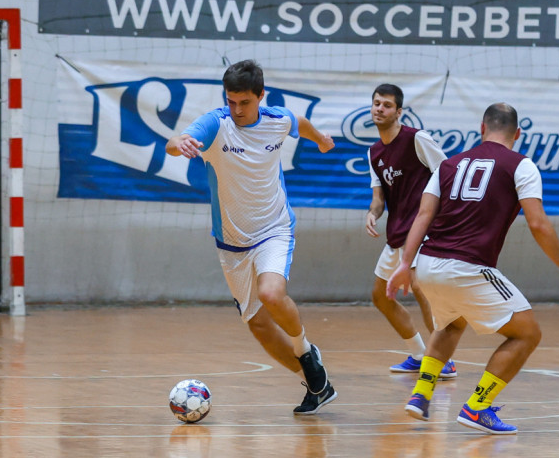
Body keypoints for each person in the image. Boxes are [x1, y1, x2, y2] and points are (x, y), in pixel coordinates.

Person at [387, 102, 559, 435]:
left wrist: (404, 265)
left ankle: (421, 394)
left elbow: (423, 215)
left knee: (451, 323)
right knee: (528, 333)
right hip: (466, 267)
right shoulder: (522, 165)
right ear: (518, 133)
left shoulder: (449, 164)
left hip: (427, 265)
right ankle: (477, 407)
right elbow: (538, 223)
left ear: (481, 128)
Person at [166, 59, 337, 415]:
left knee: (271, 293)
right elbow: (176, 140)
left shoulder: (277, 120)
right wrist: (179, 142)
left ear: (261, 96)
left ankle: (306, 350)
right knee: (258, 325)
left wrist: (320, 138)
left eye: (245, 102)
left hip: (274, 228)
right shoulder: (217, 124)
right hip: (232, 242)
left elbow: (298, 123)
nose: (237, 109)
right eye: (231, 101)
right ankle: (313, 380)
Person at [364, 84, 457, 379]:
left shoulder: (417, 139)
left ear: (399, 112)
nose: (380, 108)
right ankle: (420, 353)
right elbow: (379, 198)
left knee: (421, 288)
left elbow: (448, 174)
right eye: (376, 103)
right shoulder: (374, 152)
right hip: (396, 234)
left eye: (387, 105)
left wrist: (441, 219)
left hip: (423, 230)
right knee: (381, 296)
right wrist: (372, 213)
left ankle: (443, 359)